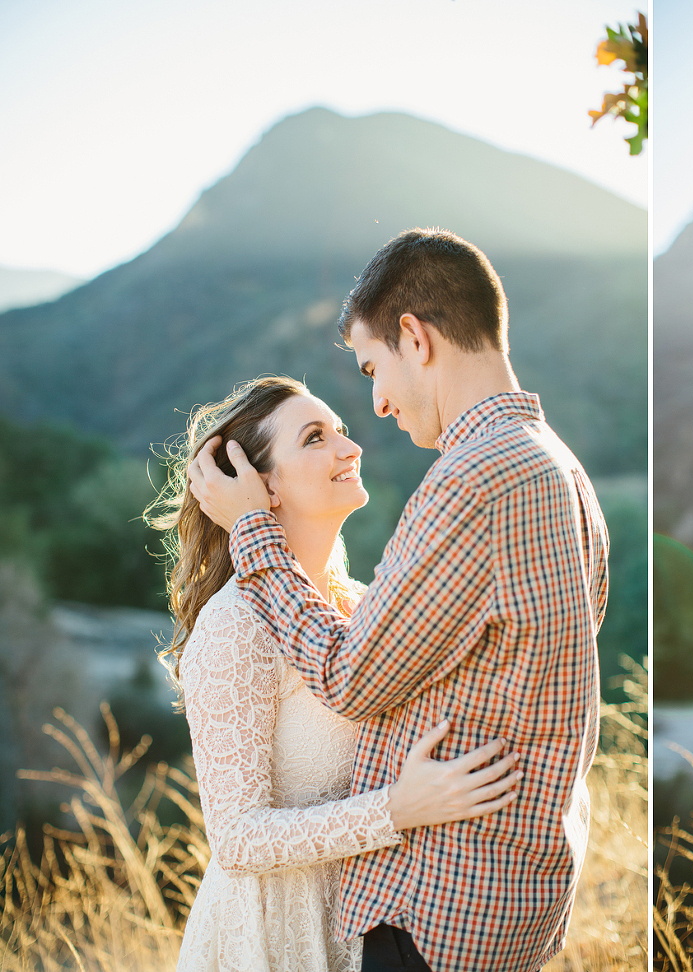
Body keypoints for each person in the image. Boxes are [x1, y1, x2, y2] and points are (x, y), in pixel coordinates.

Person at [186, 229, 609, 972]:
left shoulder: (472, 481)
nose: (373, 409)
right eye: (318, 435)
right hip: (351, 923)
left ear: (414, 337)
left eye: (372, 368)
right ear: (265, 479)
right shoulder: (562, 471)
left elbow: (350, 681)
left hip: (439, 908)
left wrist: (253, 530)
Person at [149, 376, 521, 972]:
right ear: (260, 485)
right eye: (316, 438)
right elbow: (237, 839)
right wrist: (395, 810)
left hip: (373, 924)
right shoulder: (235, 625)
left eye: (342, 434)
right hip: (275, 935)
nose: (351, 450)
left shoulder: (362, 604)